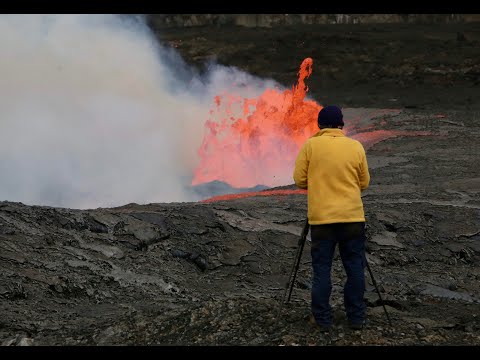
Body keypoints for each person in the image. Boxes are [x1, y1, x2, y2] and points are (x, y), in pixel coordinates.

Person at [293, 105, 370, 332]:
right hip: (352, 218)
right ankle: (356, 318)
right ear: (341, 124)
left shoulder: (311, 146)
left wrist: (318, 183)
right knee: (355, 268)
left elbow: (299, 180)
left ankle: (323, 320)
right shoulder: (355, 146)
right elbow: (364, 183)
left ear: (319, 125)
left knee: (322, 270)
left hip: (322, 220)